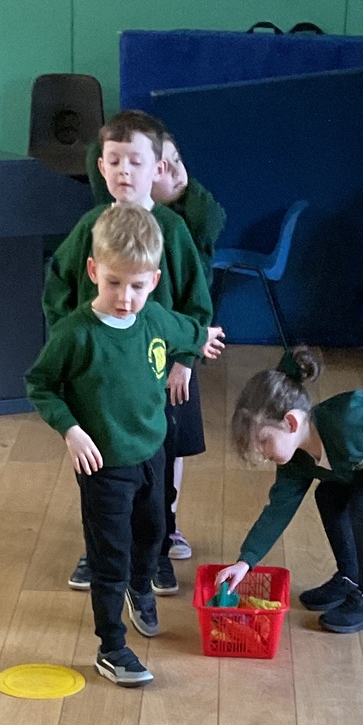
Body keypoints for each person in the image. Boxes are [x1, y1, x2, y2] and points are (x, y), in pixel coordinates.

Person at [27, 205, 223, 686]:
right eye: (114, 283)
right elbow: (40, 384)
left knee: (153, 533)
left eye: (136, 286)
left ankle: (141, 585)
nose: (124, 297)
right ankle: (111, 647)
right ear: (94, 270)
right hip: (104, 466)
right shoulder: (76, 333)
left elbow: (186, 331)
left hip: (152, 455)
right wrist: (71, 430)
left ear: (153, 281)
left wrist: (202, 340)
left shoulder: (154, 318)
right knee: (108, 556)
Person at [47, 110, 212, 597]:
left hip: (159, 380)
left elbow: (196, 305)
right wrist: (71, 350)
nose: (124, 171)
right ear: (101, 167)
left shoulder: (172, 231)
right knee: (97, 468)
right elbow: (57, 291)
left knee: (157, 469)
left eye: (135, 161)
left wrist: (184, 361)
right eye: (114, 161)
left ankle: (156, 553)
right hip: (98, 382)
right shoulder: (89, 228)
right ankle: (99, 552)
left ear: (157, 168)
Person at [215, 349, 363, 633]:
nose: (263, 453)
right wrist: (246, 561)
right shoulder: (295, 462)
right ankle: (349, 578)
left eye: (264, 441)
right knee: (328, 495)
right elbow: (278, 510)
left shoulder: (351, 419)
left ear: (291, 422)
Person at [151, 136, 225, 564]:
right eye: (163, 165)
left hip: (180, 356)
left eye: (178, 160)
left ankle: (168, 523)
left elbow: (211, 213)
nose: (176, 171)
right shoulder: (117, 219)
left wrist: (185, 361)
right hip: (141, 356)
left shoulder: (187, 223)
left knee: (174, 442)